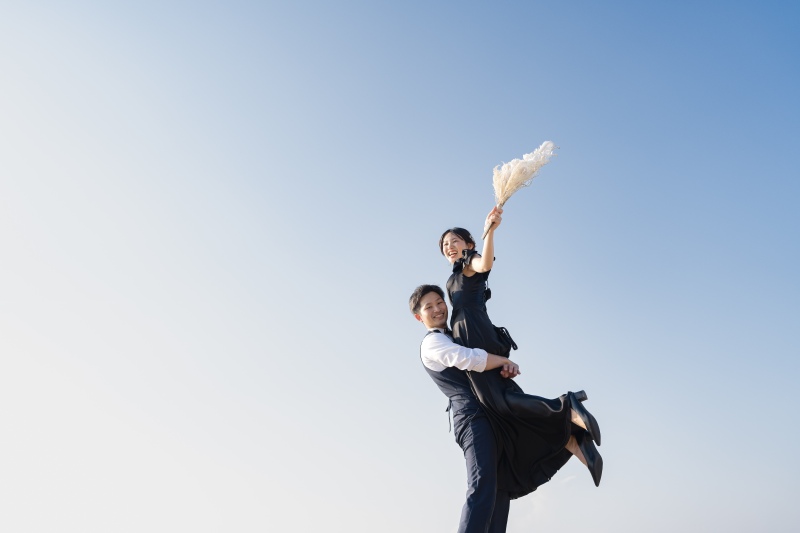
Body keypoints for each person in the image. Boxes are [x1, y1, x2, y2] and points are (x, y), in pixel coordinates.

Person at [410, 285, 601, 533]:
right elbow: (468, 358)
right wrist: (501, 360)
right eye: (429, 307)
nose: (438, 309)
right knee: (482, 483)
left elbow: (479, 364)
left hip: (492, 416)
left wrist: (501, 368)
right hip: (472, 419)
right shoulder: (432, 342)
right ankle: (567, 416)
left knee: (500, 487)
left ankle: (571, 437)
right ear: (419, 317)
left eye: (440, 302)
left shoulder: (454, 335)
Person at [438, 209, 603, 488]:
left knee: (497, 401)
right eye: (445, 244)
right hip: (474, 334)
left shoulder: (469, 262)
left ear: (468, 245)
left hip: (475, 333)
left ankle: (566, 407)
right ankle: (573, 440)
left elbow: (484, 264)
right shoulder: (454, 276)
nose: (449, 247)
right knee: (502, 400)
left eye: (454, 241)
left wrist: (490, 231)